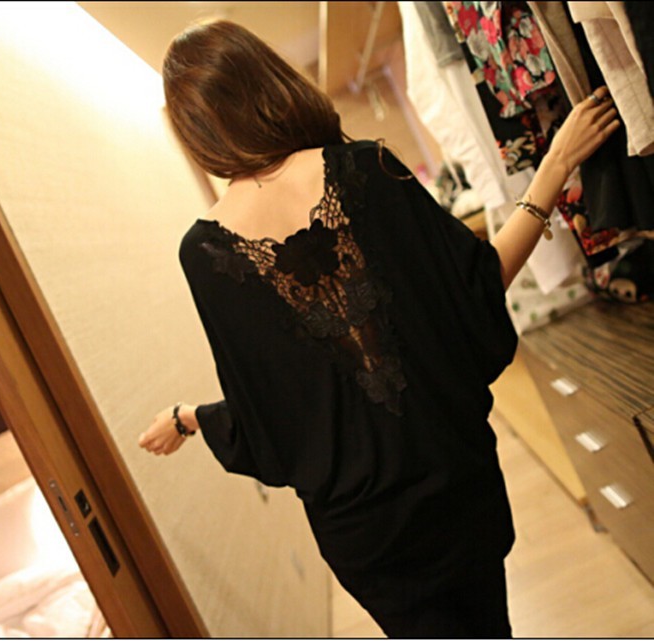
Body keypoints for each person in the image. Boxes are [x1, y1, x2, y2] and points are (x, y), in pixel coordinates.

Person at [138, 19, 619, 639]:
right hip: (456, 487)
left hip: (365, 538)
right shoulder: (367, 166)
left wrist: (190, 417)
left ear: (196, 129)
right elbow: (473, 293)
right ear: (269, 80)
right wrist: (553, 167)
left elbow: (274, 416)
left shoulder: (202, 254)